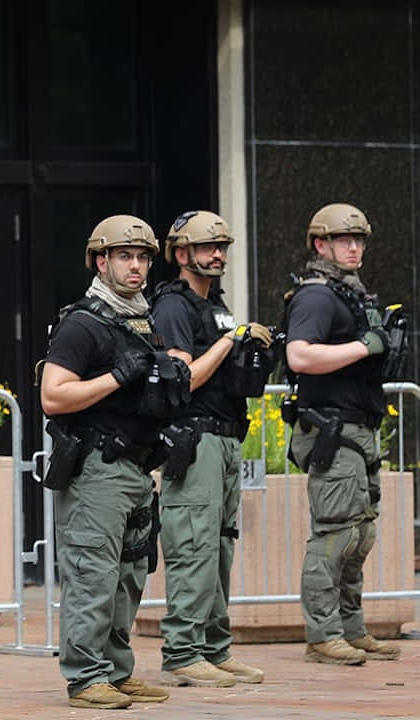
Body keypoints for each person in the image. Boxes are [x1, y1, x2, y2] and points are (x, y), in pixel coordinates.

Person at [39, 215, 187, 709]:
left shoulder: (143, 321)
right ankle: (85, 677)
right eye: (125, 256)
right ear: (101, 261)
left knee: (129, 575)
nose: (137, 266)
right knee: (92, 574)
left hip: (136, 468)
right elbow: (53, 397)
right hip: (95, 468)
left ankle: (117, 671)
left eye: (144, 257)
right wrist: (116, 378)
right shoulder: (82, 323)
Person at [149, 211, 269, 687]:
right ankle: (182, 652)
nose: (217, 255)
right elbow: (184, 379)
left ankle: (214, 649)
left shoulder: (216, 303)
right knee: (193, 545)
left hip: (224, 436)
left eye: (222, 247)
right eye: (206, 247)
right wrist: (229, 341)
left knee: (220, 546)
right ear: (182, 254)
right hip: (193, 437)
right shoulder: (174, 306)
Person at [281, 202, 404, 664]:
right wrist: (362, 346)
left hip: (358, 426)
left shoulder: (350, 293)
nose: (354, 247)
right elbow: (299, 356)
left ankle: (351, 628)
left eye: (359, 240)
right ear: (321, 245)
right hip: (333, 429)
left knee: (361, 534)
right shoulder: (316, 296)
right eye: (343, 240)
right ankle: (322, 633)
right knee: (334, 534)